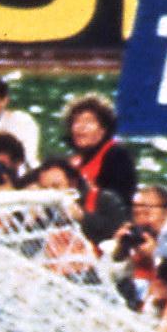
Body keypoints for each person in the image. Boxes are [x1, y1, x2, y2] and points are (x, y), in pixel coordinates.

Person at [59, 94, 137, 244]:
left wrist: (84, 217)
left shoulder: (117, 156)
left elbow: (121, 207)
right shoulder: (73, 161)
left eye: (88, 122)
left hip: (108, 233)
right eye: (76, 122)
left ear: (103, 129)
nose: (80, 127)